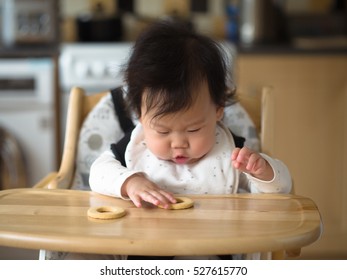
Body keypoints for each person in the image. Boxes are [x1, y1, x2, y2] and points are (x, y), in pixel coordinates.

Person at [89, 20, 292, 210]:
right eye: (162, 131)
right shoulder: (135, 147)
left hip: (215, 247)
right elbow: (97, 173)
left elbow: (276, 194)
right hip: (143, 245)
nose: (178, 143)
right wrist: (130, 183)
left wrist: (264, 172)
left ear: (218, 110)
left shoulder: (232, 154)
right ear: (140, 116)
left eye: (193, 129)